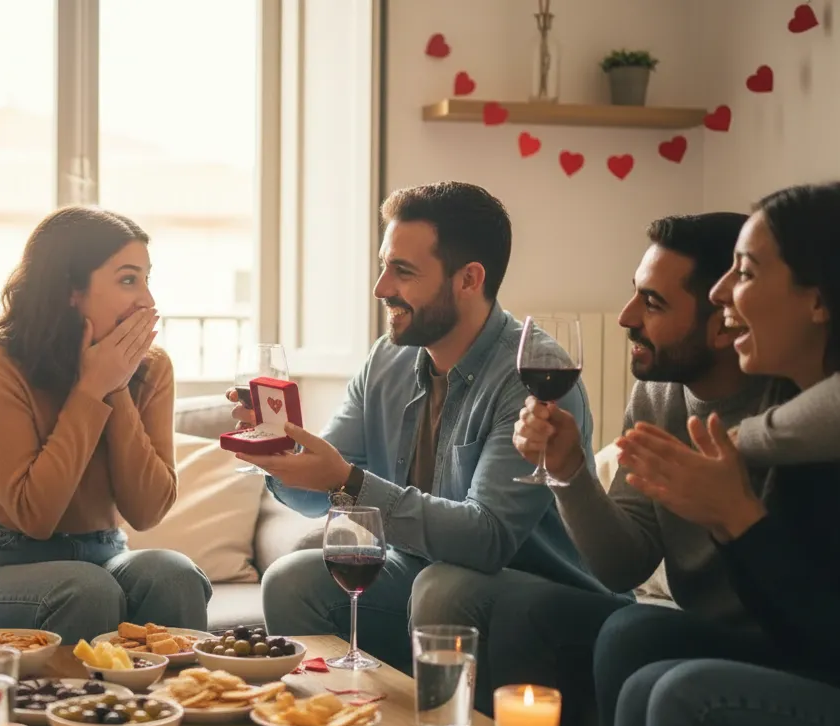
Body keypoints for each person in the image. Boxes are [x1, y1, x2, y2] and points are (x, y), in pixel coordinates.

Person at [396, 212, 749, 726]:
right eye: (634, 294)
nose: (626, 317)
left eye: (652, 304)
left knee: (632, 631)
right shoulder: (656, 398)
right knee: (495, 602)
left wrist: (732, 515)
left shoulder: (795, 415)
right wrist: (569, 472)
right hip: (693, 621)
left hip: (763, 633)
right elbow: (625, 564)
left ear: (725, 320)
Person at [233, 182, 607, 671]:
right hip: (424, 572)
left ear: (469, 279)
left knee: (442, 589)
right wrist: (280, 454)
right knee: (292, 579)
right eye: (384, 265)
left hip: (538, 589)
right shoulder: (387, 359)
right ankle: (336, 723)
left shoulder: (531, 377)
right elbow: (312, 491)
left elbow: (486, 539)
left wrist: (346, 481)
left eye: (403, 271)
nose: (381, 287)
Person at [603, 181, 840, 726]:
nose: (722, 292)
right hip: (828, 660)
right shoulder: (801, 420)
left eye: (746, 273)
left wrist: (737, 518)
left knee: (686, 697)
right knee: (640, 654)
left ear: (820, 300)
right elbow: (794, 628)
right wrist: (735, 524)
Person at [0, 205, 211, 643]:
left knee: (172, 574)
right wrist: (89, 391)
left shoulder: (152, 368)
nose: (147, 299)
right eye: (128, 279)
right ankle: (70, 713)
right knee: (87, 590)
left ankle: (168, 710)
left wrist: (116, 387)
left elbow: (148, 511)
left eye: (147, 278)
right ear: (71, 288)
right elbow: (35, 515)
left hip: (102, 555)